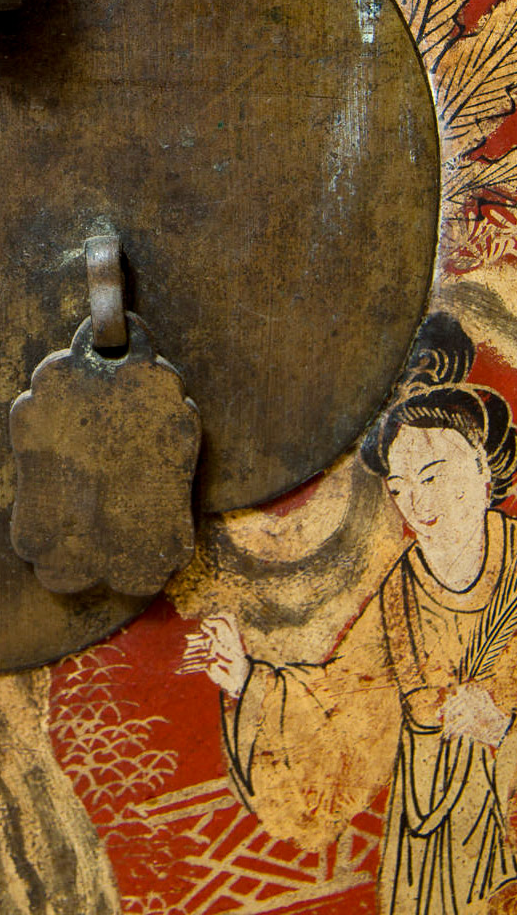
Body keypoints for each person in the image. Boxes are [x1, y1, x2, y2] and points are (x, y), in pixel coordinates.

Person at [184, 316, 517, 915]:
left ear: (484, 469)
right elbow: (338, 695)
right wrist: (247, 679)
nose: (416, 499)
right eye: (399, 485)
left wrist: (501, 732)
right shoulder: (403, 590)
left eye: (434, 475)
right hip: (429, 823)